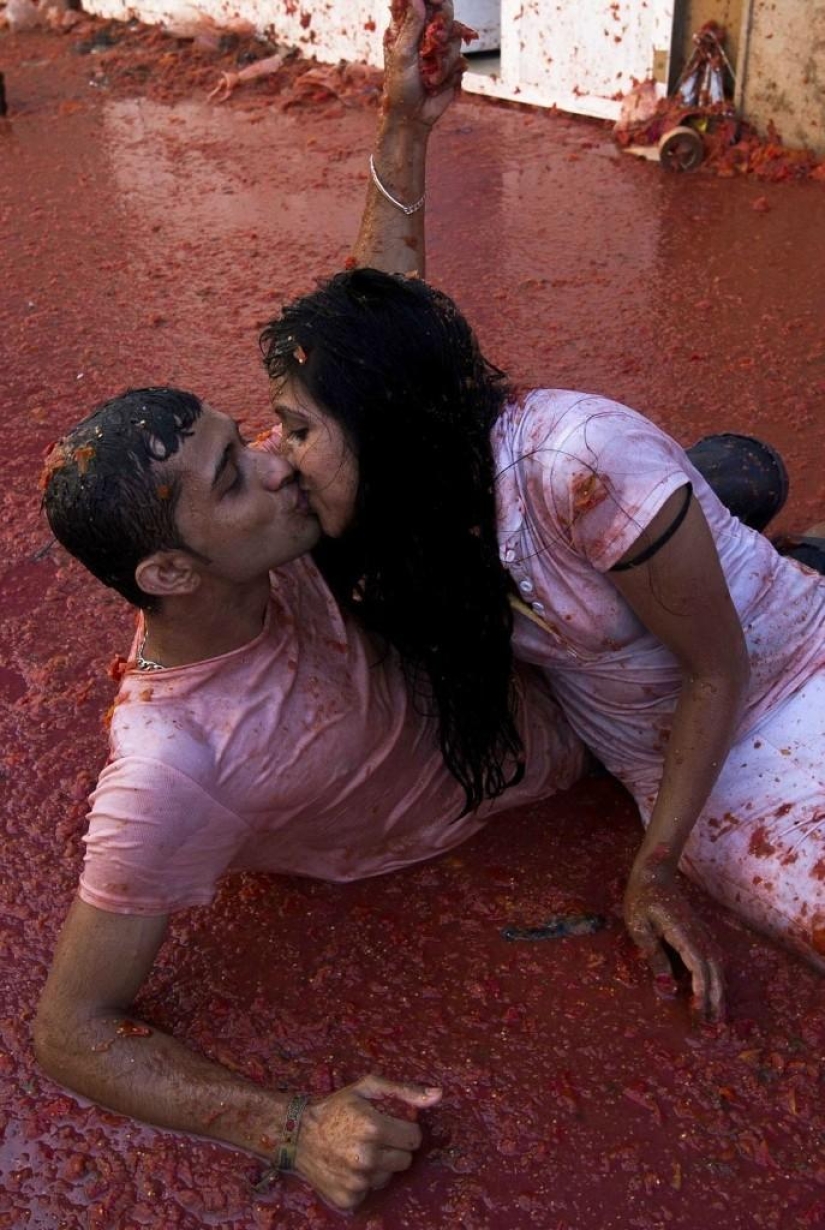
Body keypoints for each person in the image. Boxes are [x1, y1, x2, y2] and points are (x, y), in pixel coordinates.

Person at [34, 6, 587, 1213]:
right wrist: (286, 1127)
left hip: (525, 663)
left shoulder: (269, 534)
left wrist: (403, 126)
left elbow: (365, 354)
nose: (281, 464)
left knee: (709, 482)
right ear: (171, 575)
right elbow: (69, 1031)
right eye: (236, 476)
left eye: (253, 440)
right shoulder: (172, 769)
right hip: (550, 768)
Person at [260, 274, 825, 1020]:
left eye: (297, 431)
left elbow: (716, 669)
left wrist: (651, 870)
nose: (277, 460)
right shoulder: (399, 513)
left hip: (783, 669)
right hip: (675, 767)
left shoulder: (578, 461)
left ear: (380, 422)